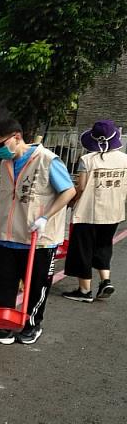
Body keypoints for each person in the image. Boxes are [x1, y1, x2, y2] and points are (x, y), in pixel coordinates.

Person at [0, 118, 76, 346]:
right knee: (4, 286)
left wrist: (45, 217)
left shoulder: (47, 160)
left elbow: (68, 192)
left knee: (37, 285)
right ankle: (3, 328)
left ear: (16, 137)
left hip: (38, 239)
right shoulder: (6, 163)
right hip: (8, 237)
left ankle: (32, 325)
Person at [61, 120, 127, 302]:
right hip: (113, 212)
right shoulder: (124, 159)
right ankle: (106, 281)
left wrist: (70, 201)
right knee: (104, 246)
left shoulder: (87, 160)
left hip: (88, 213)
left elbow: (81, 187)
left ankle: (84, 291)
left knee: (83, 250)